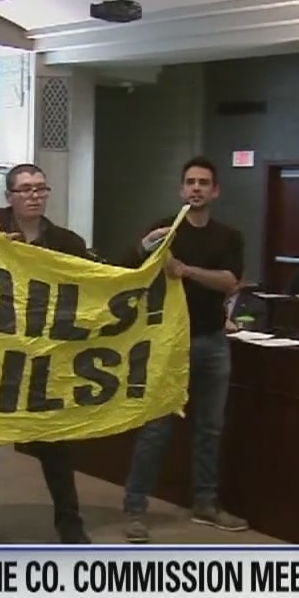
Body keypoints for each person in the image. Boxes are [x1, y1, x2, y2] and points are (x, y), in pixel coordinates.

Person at [0, 163, 93, 545]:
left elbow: (96, 281)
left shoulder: (66, 242)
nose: (34, 195)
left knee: (54, 441)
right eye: (25, 189)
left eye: (40, 188)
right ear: (9, 196)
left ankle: (69, 521)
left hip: (43, 357)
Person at [122, 156, 249, 544]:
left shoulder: (229, 236)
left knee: (210, 428)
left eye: (203, 183)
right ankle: (135, 508)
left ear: (215, 191)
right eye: (190, 182)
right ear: (181, 189)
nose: (196, 188)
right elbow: (127, 269)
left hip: (212, 340)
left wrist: (186, 271)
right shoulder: (165, 229)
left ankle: (205, 503)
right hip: (168, 343)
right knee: (156, 428)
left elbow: (230, 281)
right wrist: (145, 248)